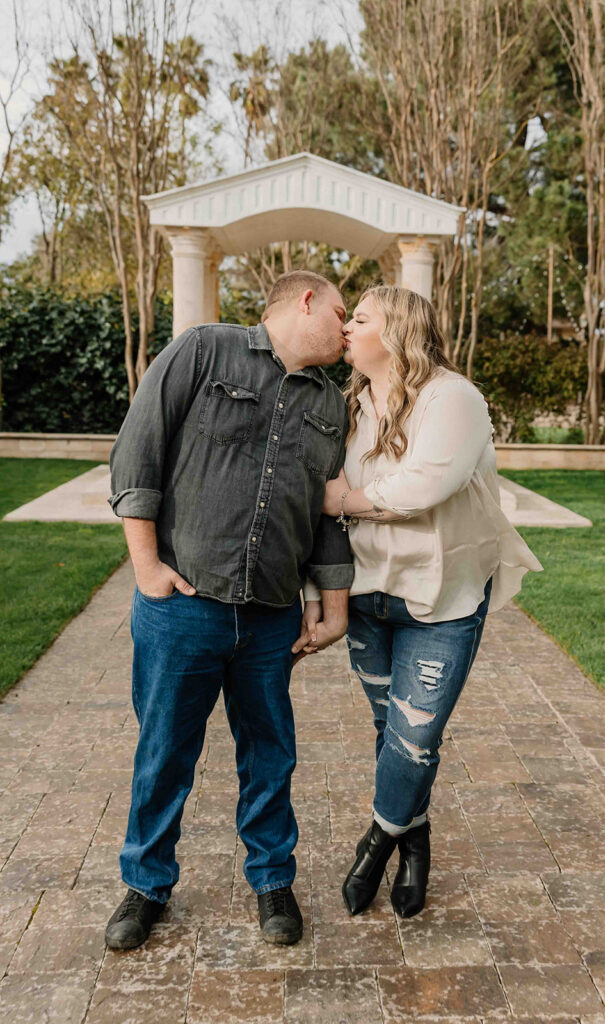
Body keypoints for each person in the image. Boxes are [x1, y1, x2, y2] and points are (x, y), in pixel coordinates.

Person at [104, 270, 353, 950]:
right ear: (305, 301)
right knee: (164, 753)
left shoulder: (333, 405)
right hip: (184, 605)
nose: (348, 327)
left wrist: (332, 608)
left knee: (270, 755)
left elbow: (329, 517)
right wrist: (147, 565)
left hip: (272, 617)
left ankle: (272, 880)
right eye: (340, 312)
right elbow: (138, 451)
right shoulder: (204, 350)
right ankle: (145, 886)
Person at [319, 285, 542, 918]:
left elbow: (425, 485)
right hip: (367, 598)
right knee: (391, 734)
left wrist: (344, 500)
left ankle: (377, 843)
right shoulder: (352, 402)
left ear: (395, 332)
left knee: (415, 738)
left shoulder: (454, 397)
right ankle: (416, 843)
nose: (346, 330)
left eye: (358, 319)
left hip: (440, 602)